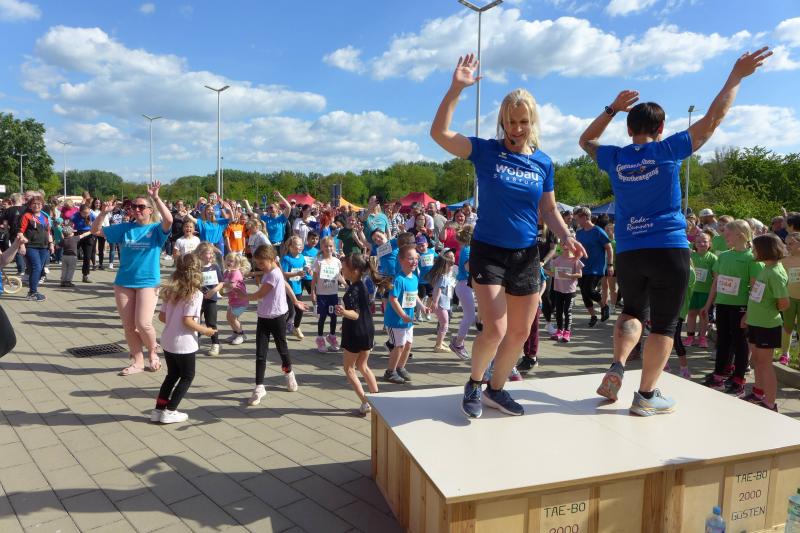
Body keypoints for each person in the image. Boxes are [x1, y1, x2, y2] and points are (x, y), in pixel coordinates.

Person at [578, 46, 771, 416]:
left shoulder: (616, 157)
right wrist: (735, 76)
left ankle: (618, 363)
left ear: (629, 129)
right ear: (661, 129)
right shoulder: (668, 150)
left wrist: (611, 109)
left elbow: (585, 141)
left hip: (630, 250)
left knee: (632, 311)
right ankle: (646, 395)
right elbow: (713, 119)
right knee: (664, 324)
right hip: (667, 247)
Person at [431, 53, 582, 418]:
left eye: (523, 122)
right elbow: (439, 134)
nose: (516, 129)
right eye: (511, 122)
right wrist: (456, 89)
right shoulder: (486, 151)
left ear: (533, 122)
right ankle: (474, 383)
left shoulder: (543, 162)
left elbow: (549, 209)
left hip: (526, 254)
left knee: (520, 331)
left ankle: (496, 390)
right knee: (495, 329)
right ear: (502, 121)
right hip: (489, 251)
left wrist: (566, 235)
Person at [92, 182, 174, 375]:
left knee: (143, 323)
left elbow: (169, 220)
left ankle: (153, 352)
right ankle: (137, 361)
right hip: (124, 282)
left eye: (141, 207)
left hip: (148, 282)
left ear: (150, 210)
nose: (136, 209)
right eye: (133, 206)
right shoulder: (125, 228)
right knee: (129, 326)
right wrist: (103, 214)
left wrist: (156, 197)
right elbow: (96, 231)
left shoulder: (156, 229)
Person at [152, 253, 216, 424]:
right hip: (184, 343)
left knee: (172, 375)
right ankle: (170, 411)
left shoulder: (171, 290)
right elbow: (187, 321)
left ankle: (158, 410)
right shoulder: (195, 294)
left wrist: (174, 320)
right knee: (187, 376)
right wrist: (206, 330)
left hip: (168, 339)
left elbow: (162, 317)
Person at [701, 220, 763, 394]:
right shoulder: (724, 256)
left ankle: (738, 379)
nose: (724, 237)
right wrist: (707, 305)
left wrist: (749, 312)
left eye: (727, 235)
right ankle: (719, 374)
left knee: (740, 343)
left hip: (740, 307)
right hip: (722, 305)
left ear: (740, 235)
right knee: (722, 341)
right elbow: (716, 282)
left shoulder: (752, 259)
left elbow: (755, 289)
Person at [245, 244, 307, 405]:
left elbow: (259, 294)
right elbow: (286, 284)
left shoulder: (273, 274)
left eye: (261, 263)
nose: (259, 266)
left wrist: (242, 295)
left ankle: (289, 373)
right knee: (261, 353)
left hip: (277, 318)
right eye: (257, 263)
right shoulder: (273, 270)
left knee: (282, 349)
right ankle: (259, 387)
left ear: (272, 259)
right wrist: (295, 300)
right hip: (263, 317)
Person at [742, 234, 790, 411]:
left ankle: (770, 403)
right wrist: (748, 316)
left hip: (767, 325)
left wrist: (767, 310)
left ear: (765, 250)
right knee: (757, 360)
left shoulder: (775, 273)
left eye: (755, 248)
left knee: (765, 364)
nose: (752, 251)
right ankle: (758, 392)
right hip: (756, 322)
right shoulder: (765, 268)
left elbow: (784, 303)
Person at [336, 253, 379, 415]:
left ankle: (366, 402)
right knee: (363, 366)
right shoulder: (362, 285)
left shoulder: (353, 290)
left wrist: (343, 312)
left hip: (355, 332)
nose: (342, 270)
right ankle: (378, 400)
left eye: (344, 268)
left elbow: (355, 314)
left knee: (349, 369)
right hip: (368, 330)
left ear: (354, 270)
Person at [383, 245, 428, 384]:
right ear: (401, 260)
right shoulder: (398, 279)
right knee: (399, 346)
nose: (414, 261)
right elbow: (393, 299)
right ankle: (390, 372)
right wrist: (402, 315)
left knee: (408, 345)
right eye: (410, 258)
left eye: (416, 258)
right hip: (396, 321)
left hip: (408, 320)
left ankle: (400, 367)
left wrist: (422, 306)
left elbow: (415, 295)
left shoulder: (414, 277)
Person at [573, 206, 613, 326]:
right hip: (582, 267)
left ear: (585, 217)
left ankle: (604, 306)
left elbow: (609, 248)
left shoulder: (598, 231)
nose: (577, 222)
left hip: (596, 267)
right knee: (584, 293)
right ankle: (593, 316)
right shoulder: (579, 233)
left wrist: (610, 265)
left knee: (589, 290)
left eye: (577, 219)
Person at [684, 231, 717, 348]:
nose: (702, 244)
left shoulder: (713, 258)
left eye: (704, 241)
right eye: (698, 242)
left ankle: (702, 338)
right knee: (691, 313)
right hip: (692, 291)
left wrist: (715, 295)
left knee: (703, 314)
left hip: (706, 292)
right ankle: (690, 337)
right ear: (694, 244)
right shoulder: (691, 256)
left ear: (710, 244)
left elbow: (716, 277)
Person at [311, 236, 344, 353]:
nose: (328, 248)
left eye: (330, 246)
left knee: (334, 316)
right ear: (322, 247)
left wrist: (346, 284)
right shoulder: (319, 261)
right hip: (322, 294)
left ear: (333, 247)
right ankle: (320, 339)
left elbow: (338, 276)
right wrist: (313, 292)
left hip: (333, 294)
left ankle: (332, 337)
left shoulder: (337, 261)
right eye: (326, 246)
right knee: (323, 316)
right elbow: (314, 279)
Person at [18, 195, 54, 301]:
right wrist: (22, 245)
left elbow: (48, 232)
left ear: (42, 205)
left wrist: (51, 244)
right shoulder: (27, 216)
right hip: (31, 247)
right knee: (36, 268)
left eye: (39, 203)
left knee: (39, 269)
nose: (36, 205)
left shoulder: (45, 217)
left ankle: (32, 291)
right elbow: (20, 232)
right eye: (34, 203)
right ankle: (33, 293)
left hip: (44, 247)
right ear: (30, 205)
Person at [548, 243, 584, 343]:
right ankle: (559, 330)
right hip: (558, 289)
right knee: (558, 311)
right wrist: (544, 271)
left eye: (568, 246)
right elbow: (553, 273)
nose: (566, 247)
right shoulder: (557, 260)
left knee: (567, 311)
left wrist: (569, 275)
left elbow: (580, 275)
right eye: (564, 245)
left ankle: (567, 332)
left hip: (570, 290)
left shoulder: (575, 260)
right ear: (561, 247)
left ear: (573, 248)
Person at [449, 226, 475, 360]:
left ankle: (459, 341)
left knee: (471, 316)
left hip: (466, 286)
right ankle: (458, 343)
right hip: (464, 285)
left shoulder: (467, 249)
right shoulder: (468, 250)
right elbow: (469, 268)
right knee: (469, 317)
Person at [195, 242, 224, 356]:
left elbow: (221, 282)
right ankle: (196, 340)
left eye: (212, 253)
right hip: (197, 299)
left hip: (211, 299)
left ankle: (215, 344)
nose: (211, 255)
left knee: (211, 322)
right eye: (208, 253)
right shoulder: (196, 267)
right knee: (196, 321)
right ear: (200, 254)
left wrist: (214, 290)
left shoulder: (215, 267)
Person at [428, 249, 457, 353]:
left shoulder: (441, 276)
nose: (451, 268)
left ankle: (439, 341)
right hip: (441, 304)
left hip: (443, 303)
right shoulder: (443, 277)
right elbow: (438, 290)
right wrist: (435, 302)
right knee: (444, 324)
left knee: (443, 323)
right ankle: (438, 345)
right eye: (450, 266)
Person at [280, 236, 308, 340]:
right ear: (290, 247)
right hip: (287, 290)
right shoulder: (286, 258)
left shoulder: (302, 257)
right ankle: (281, 332)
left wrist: (307, 270)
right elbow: (283, 273)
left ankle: (296, 327)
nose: (299, 247)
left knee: (300, 310)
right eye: (297, 245)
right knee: (290, 313)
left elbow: (304, 268)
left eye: (301, 245)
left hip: (298, 289)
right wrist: (297, 273)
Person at [779, 232, 800, 365]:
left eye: (791, 243)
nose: (788, 246)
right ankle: (784, 354)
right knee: (787, 326)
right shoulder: (784, 261)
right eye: (786, 244)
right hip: (789, 298)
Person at [222, 253, 251, 345]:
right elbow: (222, 280)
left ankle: (241, 335)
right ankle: (235, 333)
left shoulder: (236, 272)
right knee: (229, 318)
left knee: (233, 318)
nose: (229, 262)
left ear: (237, 263)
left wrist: (221, 285)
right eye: (227, 260)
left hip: (240, 301)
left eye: (231, 261)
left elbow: (231, 285)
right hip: (232, 300)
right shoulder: (227, 272)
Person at [71, 204, 96, 283]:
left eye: (88, 212)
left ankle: (85, 276)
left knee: (87, 257)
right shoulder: (75, 216)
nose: (86, 214)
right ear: (80, 212)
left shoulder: (92, 215)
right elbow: (69, 226)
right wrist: (70, 231)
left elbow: (97, 224)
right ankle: (68, 276)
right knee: (73, 255)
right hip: (78, 234)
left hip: (88, 235)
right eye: (84, 213)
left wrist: (93, 228)